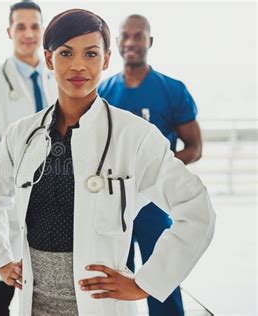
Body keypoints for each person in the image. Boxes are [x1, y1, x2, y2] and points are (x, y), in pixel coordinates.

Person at [0, 9, 215, 315]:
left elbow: (197, 210)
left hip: (101, 307)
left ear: (106, 59)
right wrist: (1, 260)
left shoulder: (135, 136)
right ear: (49, 60)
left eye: (90, 53)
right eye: (65, 53)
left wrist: (147, 283)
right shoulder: (21, 135)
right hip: (36, 305)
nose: (78, 65)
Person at [97, 14, 202, 316]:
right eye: (125, 36)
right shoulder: (104, 92)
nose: (131, 42)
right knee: (113, 283)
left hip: (155, 204)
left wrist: (155, 171)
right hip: (114, 205)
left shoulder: (172, 90)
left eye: (138, 36)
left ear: (150, 41)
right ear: (116, 43)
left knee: (162, 282)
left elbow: (194, 148)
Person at [0, 2, 57, 315]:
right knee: (3, 291)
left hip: (57, 202)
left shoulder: (56, 77)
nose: (29, 34)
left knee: (52, 290)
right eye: (21, 26)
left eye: (35, 26)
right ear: (9, 32)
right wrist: (12, 190)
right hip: (12, 203)